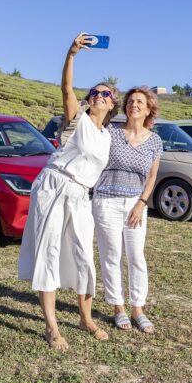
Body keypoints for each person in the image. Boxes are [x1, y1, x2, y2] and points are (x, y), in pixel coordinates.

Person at [18, 33, 119, 350]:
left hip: (80, 194)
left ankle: (85, 318)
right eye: (95, 92)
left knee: (83, 256)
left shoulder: (107, 136)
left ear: (112, 104)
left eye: (106, 93)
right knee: (48, 252)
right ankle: (52, 327)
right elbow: (66, 89)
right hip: (55, 185)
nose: (99, 95)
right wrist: (71, 54)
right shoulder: (78, 120)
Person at [93, 86, 162, 334]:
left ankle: (138, 309)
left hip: (135, 204)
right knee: (111, 255)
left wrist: (141, 203)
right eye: (131, 101)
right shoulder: (111, 132)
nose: (134, 105)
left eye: (140, 102)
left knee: (136, 257)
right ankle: (118, 308)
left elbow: (152, 177)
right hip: (106, 201)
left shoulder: (154, 141)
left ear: (149, 108)